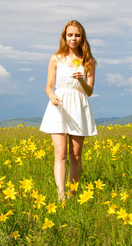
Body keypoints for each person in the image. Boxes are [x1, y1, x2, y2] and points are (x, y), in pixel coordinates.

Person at [40, 20, 97, 202]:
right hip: (59, 106)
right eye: (70, 35)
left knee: (76, 155)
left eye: (77, 35)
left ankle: (73, 195)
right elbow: (49, 87)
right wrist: (52, 96)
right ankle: (61, 196)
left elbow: (89, 91)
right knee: (61, 153)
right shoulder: (55, 58)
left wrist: (81, 80)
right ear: (64, 36)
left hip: (79, 106)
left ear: (82, 37)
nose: (73, 38)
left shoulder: (88, 61)